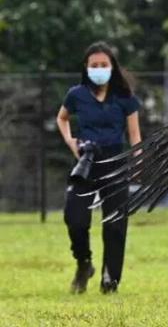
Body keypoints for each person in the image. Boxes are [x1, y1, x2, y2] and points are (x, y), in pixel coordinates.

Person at [56, 41, 142, 294]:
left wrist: (137, 160)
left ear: (112, 67)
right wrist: (72, 142)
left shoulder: (125, 97)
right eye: (94, 65)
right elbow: (61, 118)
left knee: (115, 223)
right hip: (85, 160)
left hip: (116, 160)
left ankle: (110, 279)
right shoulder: (76, 94)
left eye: (104, 65)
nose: (99, 69)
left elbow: (135, 135)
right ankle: (84, 262)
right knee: (75, 218)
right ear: (86, 67)